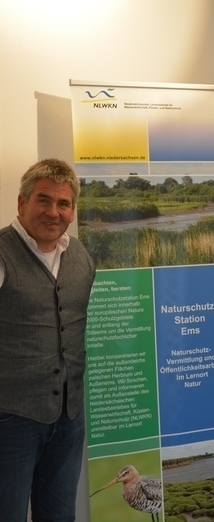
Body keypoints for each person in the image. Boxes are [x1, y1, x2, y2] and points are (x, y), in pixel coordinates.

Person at [0, 159, 95, 522]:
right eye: (43, 200)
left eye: (63, 203)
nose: (53, 212)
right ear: (21, 203)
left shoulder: (81, 257)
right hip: (11, 420)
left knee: (59, 515)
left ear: (72, 211)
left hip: (69, 420)